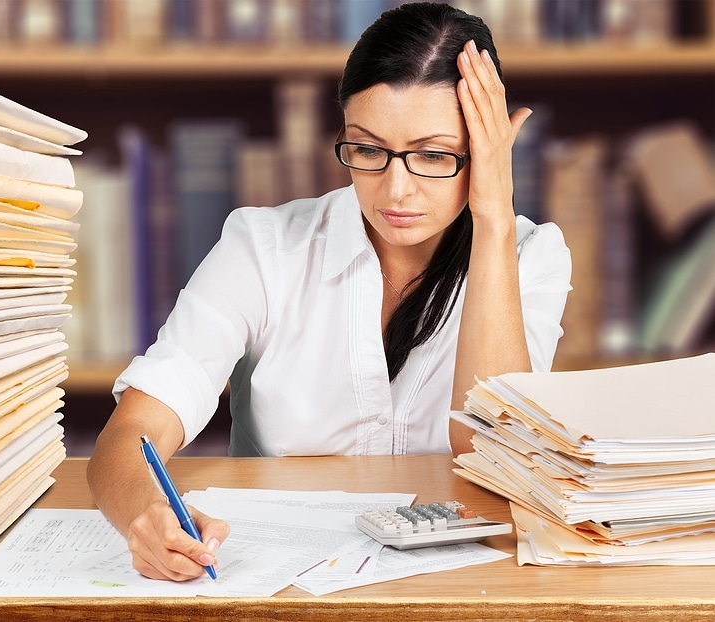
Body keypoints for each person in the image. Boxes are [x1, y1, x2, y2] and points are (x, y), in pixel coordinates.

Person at [87, 1, 571, 582]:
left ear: (486, 152)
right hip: (274, 584)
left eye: (435, 155)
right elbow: (132, 433)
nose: (397, 189)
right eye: (368, 150)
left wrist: (492, 219)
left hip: (457, 585)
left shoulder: (531, 255)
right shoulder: (262, 247)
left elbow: (488, 455)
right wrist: (146, 514)